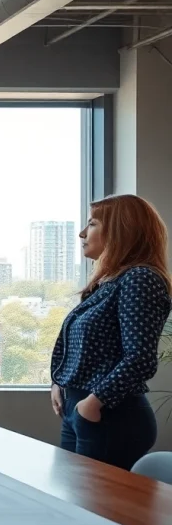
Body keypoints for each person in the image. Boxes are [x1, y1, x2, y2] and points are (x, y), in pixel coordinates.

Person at [50, 195, 171, 471]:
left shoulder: (140, 278)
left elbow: (140, 358)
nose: (82, 233)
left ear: (120, 230)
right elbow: (77, 347)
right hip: (83, 409)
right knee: (74, 505)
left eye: (91, 224)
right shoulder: (107, 283)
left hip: (110, 415)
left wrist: (93, 403)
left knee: (95, 510)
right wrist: (58, 383)